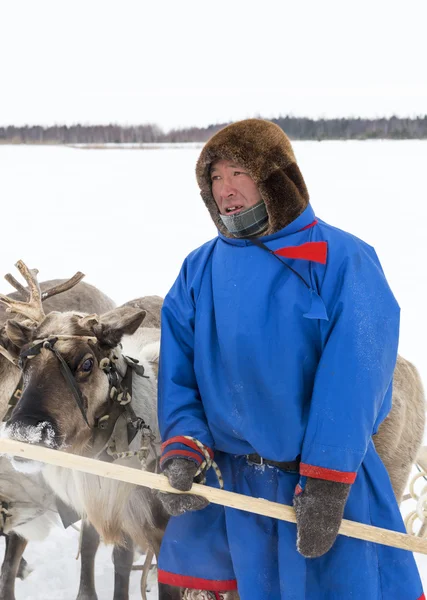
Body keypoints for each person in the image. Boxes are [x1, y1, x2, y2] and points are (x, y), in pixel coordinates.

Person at [156, 119, 424, 600]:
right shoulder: (198, 269)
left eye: (238, 172)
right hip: (234, 491)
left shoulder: (342, 260)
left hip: (318, 490)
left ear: (274, 177)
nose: (225, 189)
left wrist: (326, 482)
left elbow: (355, 380)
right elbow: (178, 374)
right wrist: (183, 446)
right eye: (215, 178)